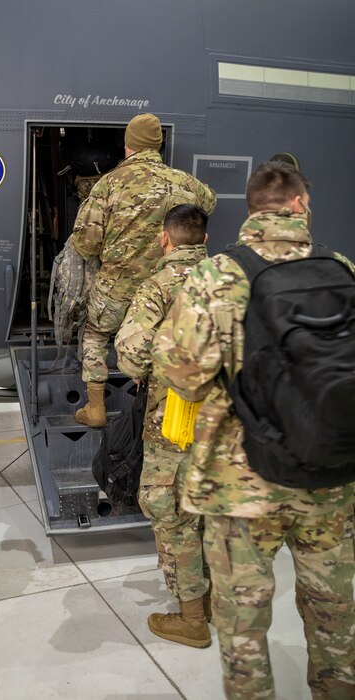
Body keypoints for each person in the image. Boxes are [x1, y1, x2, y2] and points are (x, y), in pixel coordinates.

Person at [152, 162, 355, 699]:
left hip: (241, 485)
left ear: (250, 211)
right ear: (300, 204)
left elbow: (187, 378)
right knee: (334, 613)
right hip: (329, 476)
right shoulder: (341, 268)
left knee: (243, 624)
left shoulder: (217, 274)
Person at [70, 112, 216, 427]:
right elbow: (209, 203)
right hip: (169, 288)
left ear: (128, 146)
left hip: (116, 290)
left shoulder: (109, 184)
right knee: (165, 337)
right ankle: (154, 405)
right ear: (158, 146)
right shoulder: (186, 182)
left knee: (95, 335)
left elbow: (84, 244)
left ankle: (95, 408)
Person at [115, 204, 211, 649]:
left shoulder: (158, 286)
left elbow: (131, 353)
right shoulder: (232, 281)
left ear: (164, 239)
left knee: (171, 513)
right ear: (204, 239)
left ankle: (192, 617)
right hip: (226, 425)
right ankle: (215, 602)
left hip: (172, 421)